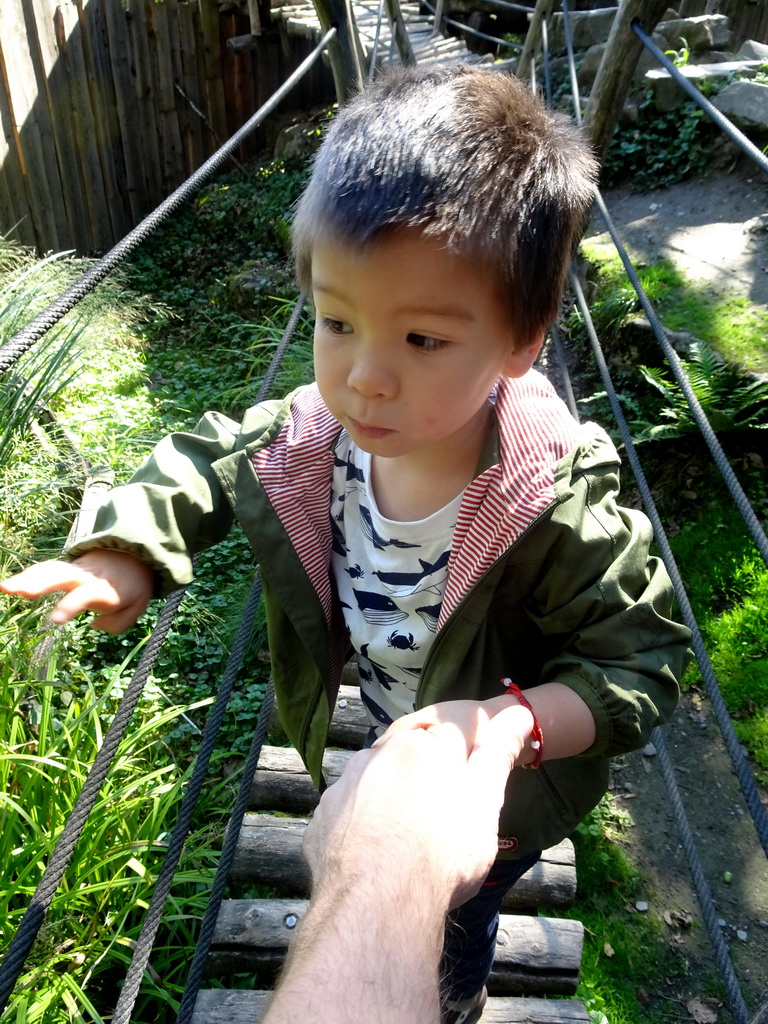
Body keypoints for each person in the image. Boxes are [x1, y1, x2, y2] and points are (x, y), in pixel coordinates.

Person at [1, 64, 691, 1024]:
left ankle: (451, 993)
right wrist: (126, 552)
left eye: (422, 341)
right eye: (337, 321)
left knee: (463, 909)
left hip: (497, 785)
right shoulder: (312, 438)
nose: (365, 378)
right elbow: (203, 457)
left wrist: (506, 731)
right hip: (386, 702)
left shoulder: (557, 501)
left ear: (525, 339)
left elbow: (644, 663)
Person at [265, 711, 522, 1024]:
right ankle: (463, 1000)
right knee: (473, 923)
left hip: (505, 813)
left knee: (471, 922)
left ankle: (461, 998)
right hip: (391, 746)